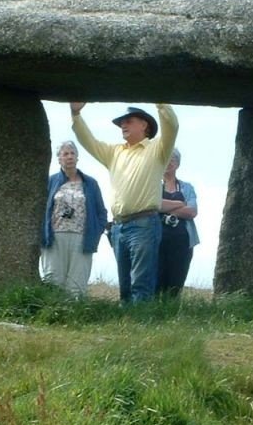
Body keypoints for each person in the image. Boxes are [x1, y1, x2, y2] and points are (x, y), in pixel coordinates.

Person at [70, 102, 178, 303]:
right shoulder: (114, 152)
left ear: (144, 125)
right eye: (121, 123)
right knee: (125, 286)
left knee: (141, 282)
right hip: (119, 226)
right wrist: (76, 114)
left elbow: (172, 126)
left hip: (144, 224)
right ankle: (127, 325)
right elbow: (89, 142)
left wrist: (161, 100)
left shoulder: (157, 149)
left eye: (128, 121)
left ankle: (140, 324)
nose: (123, 126)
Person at [41, 140, 108, 297]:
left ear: (77, 157)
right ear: (59, 158)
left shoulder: (90, 183)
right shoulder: (50, 182)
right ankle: (51, 314)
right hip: (55, 238)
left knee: (77, 283)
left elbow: (101, 212)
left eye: (73, 153)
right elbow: (41, 209)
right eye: (65, 154)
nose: (69, 157)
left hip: (82, 238)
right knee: (53, 279)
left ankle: (75, 316)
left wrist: (95, 232)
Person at [156, 148, 200, 298]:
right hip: (155, 241)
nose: (169, 162)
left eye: (172, 160)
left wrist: (164, 209)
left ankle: (172, 315)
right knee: (156, 282)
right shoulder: (151, 185)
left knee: (176, 283)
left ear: (177, 164)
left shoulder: (187, 187)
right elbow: (152, 205)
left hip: (183, 242)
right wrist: (180, 204)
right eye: (165, 158)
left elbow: (192, 212)